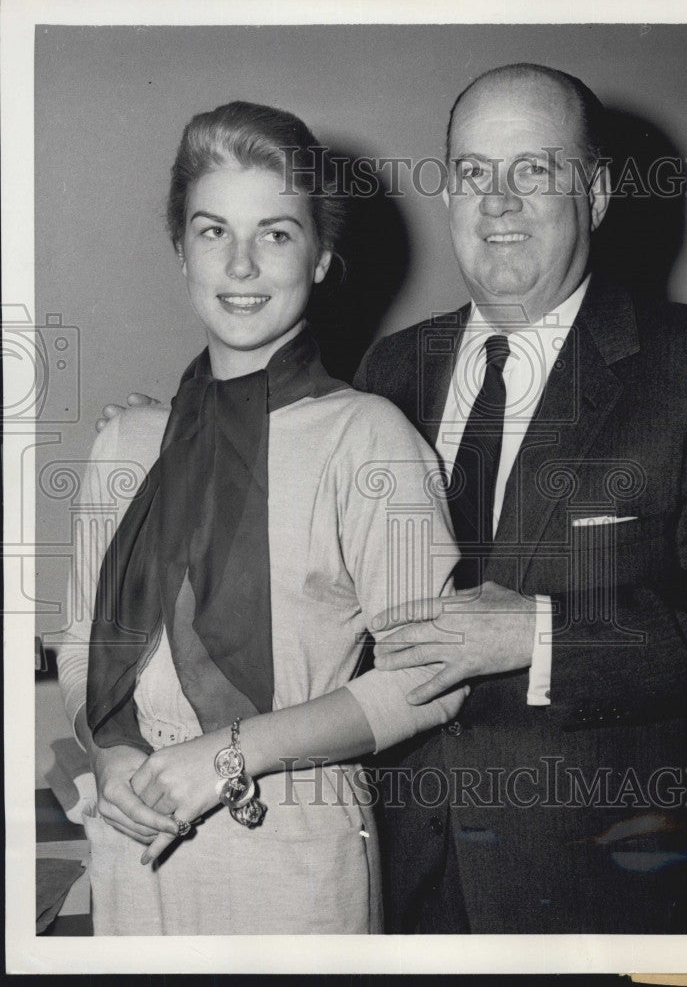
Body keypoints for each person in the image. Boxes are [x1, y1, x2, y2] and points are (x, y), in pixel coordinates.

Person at [98, 64, 687, 935]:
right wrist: (171, 437)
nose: (496, 202)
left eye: (533, 170)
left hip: (598, 884)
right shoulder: (392, 371)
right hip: (401, 872)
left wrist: (539, 636)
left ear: (601, 192)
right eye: (471, 172)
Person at [56, 100, 468, 935]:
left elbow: (429, 685)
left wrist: (227, 756)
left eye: (277, 233)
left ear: (320, 259)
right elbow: (79, 651)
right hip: (134, 844)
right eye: (213, 232)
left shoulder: (369, 438)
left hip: (292, 845)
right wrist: (110, 750)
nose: (241, 264)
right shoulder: (127, 442)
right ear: (180, 250)